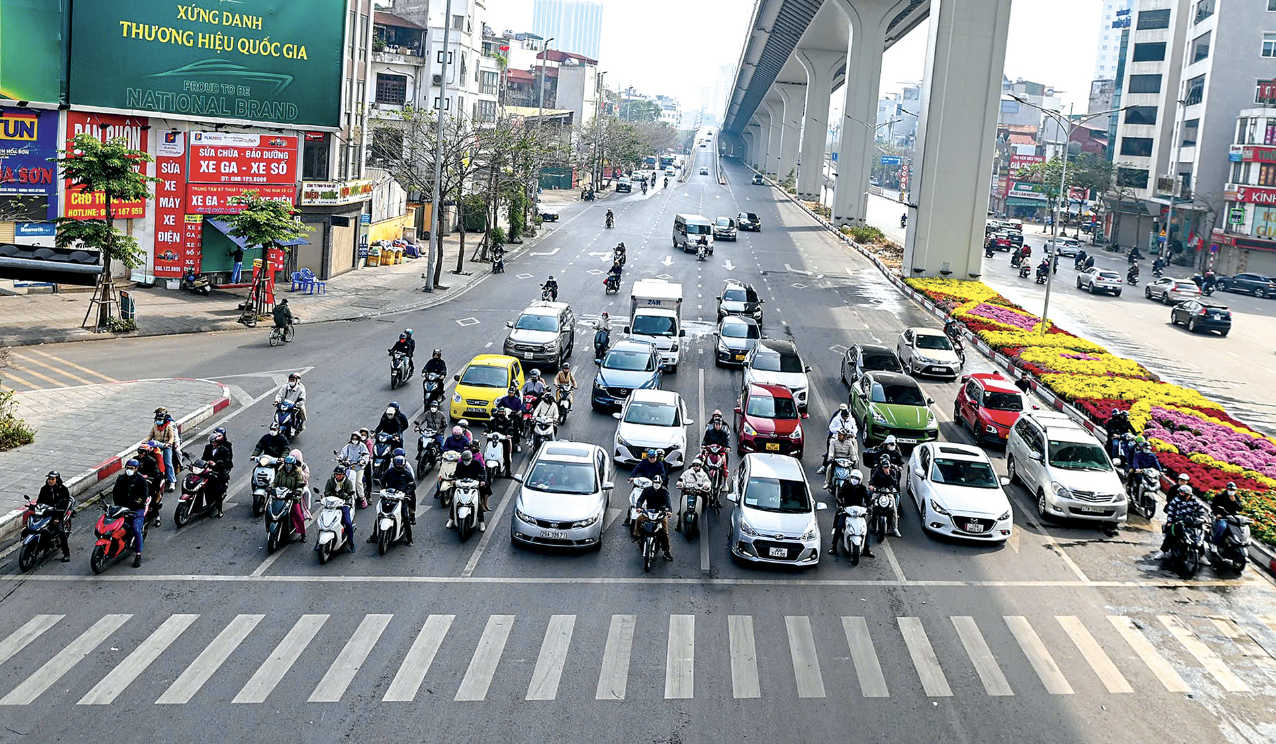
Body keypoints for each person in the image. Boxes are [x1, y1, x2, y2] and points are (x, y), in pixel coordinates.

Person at [1157, 473, 1207, 558]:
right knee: (1171, 534)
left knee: (1199, 536)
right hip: (1178, 521)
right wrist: (1170, 521)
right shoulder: (1175, 500)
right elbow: (1171, 511)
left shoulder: (1195, 501)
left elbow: (1201, 510)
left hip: (1191, 521)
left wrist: (1202, 518)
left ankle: (1202, 556)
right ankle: (1163, 551)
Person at [112, 459, 150, 568]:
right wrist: (118, 506)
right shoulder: (121, 479)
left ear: (136, 469)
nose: (129, 470)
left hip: (136, 509)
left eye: (131, 468)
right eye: (127, 468)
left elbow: (142, 498)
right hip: (122, 508)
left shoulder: (141, 481)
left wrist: (132, 507)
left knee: (136, 529)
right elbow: (116, 493)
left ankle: (138, 555)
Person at [829, 468, 873, 558]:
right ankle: (834, 547)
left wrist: (869, 506)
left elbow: (868, 498)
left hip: (859, 512)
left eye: (856, 478)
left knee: (866, 529)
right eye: (852, 477)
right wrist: (840, 504)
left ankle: (867, 549)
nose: (854, 479)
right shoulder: (846, 487)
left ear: (860, 480)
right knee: (839, 526)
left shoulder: (863, 488)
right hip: (847, 510)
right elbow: (839, 496)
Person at [380, 450, 417, 544]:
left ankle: (410, 539)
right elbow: (383, 481)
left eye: (401, 465)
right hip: (389, 496)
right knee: (380, 514)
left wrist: (406, 493)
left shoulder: (407, 473)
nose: (399, 466)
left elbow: (413, 485)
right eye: (398, 465)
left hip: (401, 498)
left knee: (405, 517)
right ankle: (373, 536)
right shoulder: (389, 471)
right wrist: (384, 489)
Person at [633, 475, 673, 561]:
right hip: (649, 512)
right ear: (652, 483)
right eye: (655, 482)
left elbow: (668, 502)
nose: (656, 484)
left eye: (658, 483)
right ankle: (637, 535)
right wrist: (639, 507)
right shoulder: (647, 490)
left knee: (664, 532)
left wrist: (669, 511)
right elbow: (640, 500)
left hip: (660, 513)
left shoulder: (664, 491)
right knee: (639, 519)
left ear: (661, 483)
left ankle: (666, 551)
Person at [448, 449, 489, 532]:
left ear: (471, 459)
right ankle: (452, 519)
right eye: (464, 460)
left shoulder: (477, 464)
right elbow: (456, 474)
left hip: (473, 486)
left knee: (478, 503)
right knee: (454, 501)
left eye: (468, 460)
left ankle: (481, 521)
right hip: (461, 485)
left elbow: (483, 472)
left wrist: (482, 481)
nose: (466, 462)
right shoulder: (460, 465)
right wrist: (454, 480)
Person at [35, 471, 72, 561]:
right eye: (49, 479)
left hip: (58, 513)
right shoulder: (44, 489)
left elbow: (64, 505)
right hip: (46, 513)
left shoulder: (63, 490)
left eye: (52, 479)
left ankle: (66, 553)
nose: (50, 481)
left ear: (57, 479)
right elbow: (39, 501)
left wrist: (57, 518)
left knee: (60, 531)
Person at [323, 464, 358, 553]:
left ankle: (351, 543)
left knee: (348, 523)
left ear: (344, 474)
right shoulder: (330, 481)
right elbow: (326, 492)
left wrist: (342, 495)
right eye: (336, 474)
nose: (337, 476)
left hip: (343, 504)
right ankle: (318, 542)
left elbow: (349, 495)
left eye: (339, 474)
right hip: (331, 504)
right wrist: (334, 494)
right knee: (323, 519)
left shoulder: (348, 483)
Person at [200, 428, 233, 518]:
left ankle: (219, 509)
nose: (212, 444)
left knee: (217, 490)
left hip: (218, 471)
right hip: (208, 470)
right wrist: (206, 462)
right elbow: (203, 458)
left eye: (214, 443)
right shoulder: (208, 448)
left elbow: (227, 462)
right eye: (211, 443)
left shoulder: (225, 450)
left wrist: (216, 464)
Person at [276, 454, 309, 542]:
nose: (288, 466)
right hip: (281, 496)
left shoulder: (297, 473)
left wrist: (298, 491)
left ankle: (303, 534)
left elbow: (300, 484)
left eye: (290, 465)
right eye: (287, 464)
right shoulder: (280, 472)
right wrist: (271, 487)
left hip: (292, 497)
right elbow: (275, 482)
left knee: (298, 514)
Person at [675, 458, 712, 531]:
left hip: (699, 492)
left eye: (697, 465)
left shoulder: (703, 474)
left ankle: (700, 518)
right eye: (694, 465)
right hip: (687, 491)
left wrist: (706, 485)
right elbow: (681, 479)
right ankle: (679, 524)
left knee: (705, 502)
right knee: (682, 505)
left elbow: (707, 481)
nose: (695, 467)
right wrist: (680, 484)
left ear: (700, 466)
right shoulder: (687, 473)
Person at [869, 457, 902, 536]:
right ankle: (867, 525)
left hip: (888, 492)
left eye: (887, 467)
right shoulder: (877, 471)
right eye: (885, 467)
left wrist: (889, 475)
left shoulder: (893, 472)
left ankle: (894, 528)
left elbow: (895, 483)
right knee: (870, 506)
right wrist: (872, 486)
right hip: (878, 491)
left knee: (894, 509)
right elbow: (872, 480)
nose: (886, 468)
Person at [149, 409, 179, 493]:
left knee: (168, 463)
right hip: (157, 446)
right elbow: (150, 435)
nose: (158, 421)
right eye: (157, 419)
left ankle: (172, 481)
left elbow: (172, 437)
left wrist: (169, 443)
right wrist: (145, 441)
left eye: (160, 420)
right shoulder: (155, 426)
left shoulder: (169, 426)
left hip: (166, 446)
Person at [136, 442, 165, 526]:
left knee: (151, 499)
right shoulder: (135, 459)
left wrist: (148, 477)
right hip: (137, 481)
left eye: (142, 452)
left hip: (149, 482)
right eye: (139, 452)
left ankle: (157, 517)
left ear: (146, 453)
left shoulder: (152, 461)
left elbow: (156, 474)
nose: (140, 454)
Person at [340, 431, 372, 504]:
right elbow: (343, 454)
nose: (354, 440)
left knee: (358, 482)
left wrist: (363, 460)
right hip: (350, 467)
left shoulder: (362, 446)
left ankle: (362, 498)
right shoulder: (348, 446)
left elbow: (366, 455)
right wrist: (340, 458)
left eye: (356, 439)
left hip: (359, 468)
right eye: (353, 439)